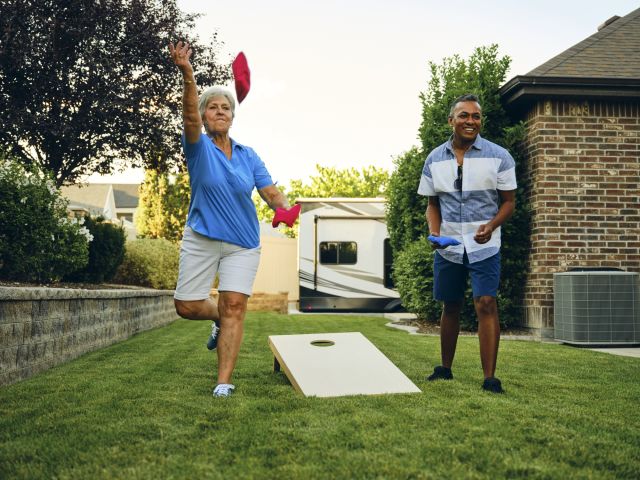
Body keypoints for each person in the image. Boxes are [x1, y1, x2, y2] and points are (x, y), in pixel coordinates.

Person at [169, 41, 291, 398]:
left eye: (226, 107)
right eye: (213, 108)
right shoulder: (197, 146)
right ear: (205, 116)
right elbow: (188, 117)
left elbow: (270, 191)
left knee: (235, 304)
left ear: (233, 117)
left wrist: (281, 209)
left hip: (242, 242)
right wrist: (188, 75)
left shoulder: (248, 155)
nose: (219, 112)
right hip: (202, 235)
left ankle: (223, 381)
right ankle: (216, 318)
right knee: (186, 305)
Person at [417, 94, 517, 394]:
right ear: (451, 120)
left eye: (475, 116)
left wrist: (491, 225)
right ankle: (445, 369)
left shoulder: (500, 156)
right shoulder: (434, 159)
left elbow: (509, 203)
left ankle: (490, 378)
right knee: (451, 305)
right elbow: (432, 204)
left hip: (484, 244)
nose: (470, 121)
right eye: (464, 116)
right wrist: (434, 233)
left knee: (486, 302)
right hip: (448, 246)